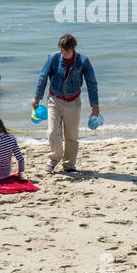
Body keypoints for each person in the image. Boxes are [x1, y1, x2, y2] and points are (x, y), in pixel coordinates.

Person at [32, 33, 99, 173]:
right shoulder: (53, 58)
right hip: (54, 99)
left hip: (73, 102)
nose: (63, 54)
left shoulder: (83, 61)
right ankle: (54, 158)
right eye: (61, 50)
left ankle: (69, 165)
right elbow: (43, 77)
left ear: (73, 49)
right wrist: (37, 97)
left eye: (66, 52)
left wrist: (95, 105)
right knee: (52, 132)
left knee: (71, 136)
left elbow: (91, 83)